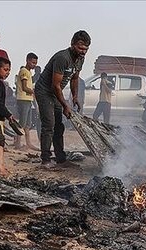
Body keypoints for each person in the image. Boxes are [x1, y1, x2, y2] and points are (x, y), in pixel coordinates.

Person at [35, 30, 90, 168]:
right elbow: (55, 85)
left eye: (85, 49)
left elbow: (75, 78)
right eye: (80, 48)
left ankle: (60, 158)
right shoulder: (62, 58)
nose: (83, 51)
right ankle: (45, 160)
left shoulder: (80, 59)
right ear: (72, 44)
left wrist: (75, 96)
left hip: (55, 92)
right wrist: (65, 105)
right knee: (49, 125)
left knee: (59, 126)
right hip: (45, 91)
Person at [15, 52, 39, 150]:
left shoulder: (28, 72)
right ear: (28, 60)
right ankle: (18, 144)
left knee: (27, 124)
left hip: (28, 100)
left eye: (35, 63)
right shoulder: (24, 71)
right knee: (22, 123)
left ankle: (28, 143)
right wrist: (34, 92)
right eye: (33, 62)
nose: (34, 65)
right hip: (23, 99)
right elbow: (25, 87)